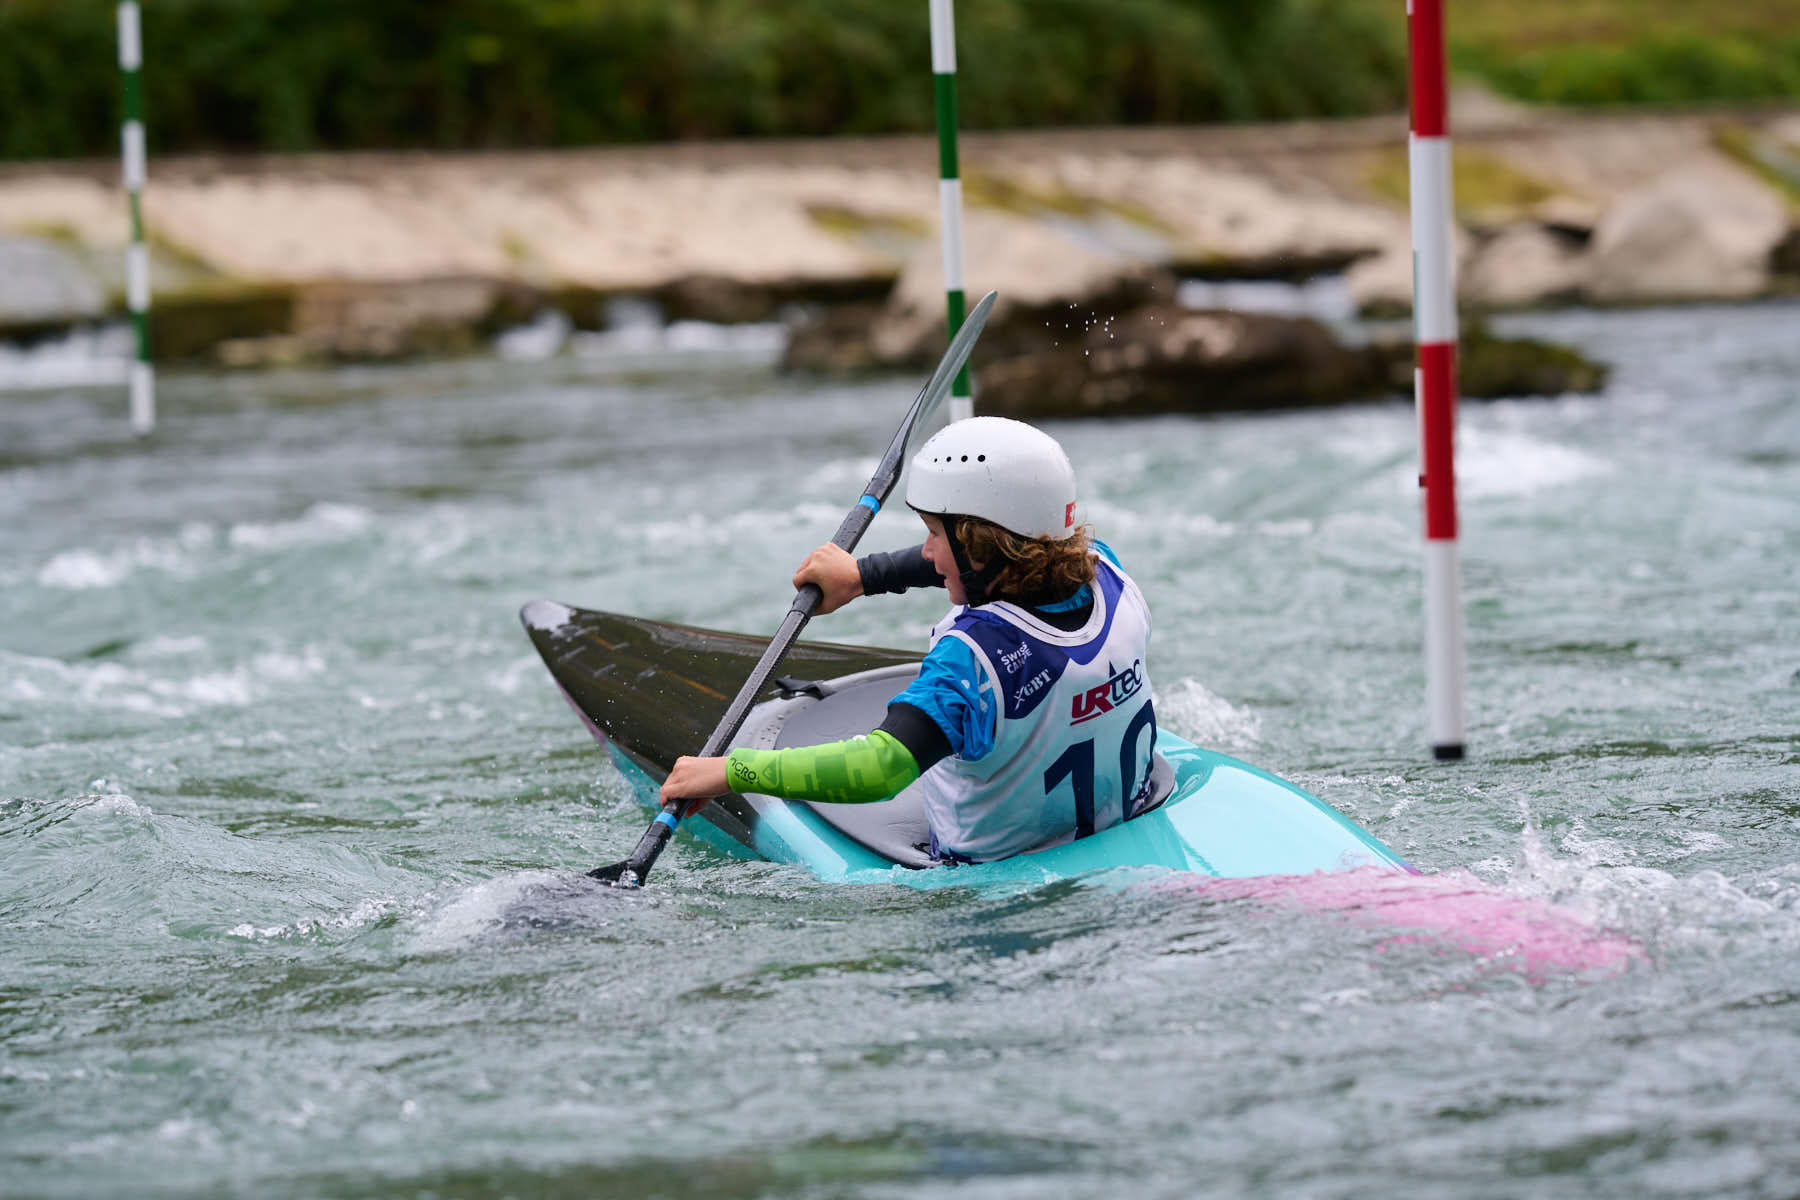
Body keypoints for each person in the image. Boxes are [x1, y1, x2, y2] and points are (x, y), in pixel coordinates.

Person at [659, 416, 1162, 863]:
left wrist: (731, 771)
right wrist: (862, 574)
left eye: (935, 536)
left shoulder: (971, 663)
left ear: (980, 544)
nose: (927, 550)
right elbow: (994, 564)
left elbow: (882, 767)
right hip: (1123, 827)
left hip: (992, 886)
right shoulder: (1106, 571)